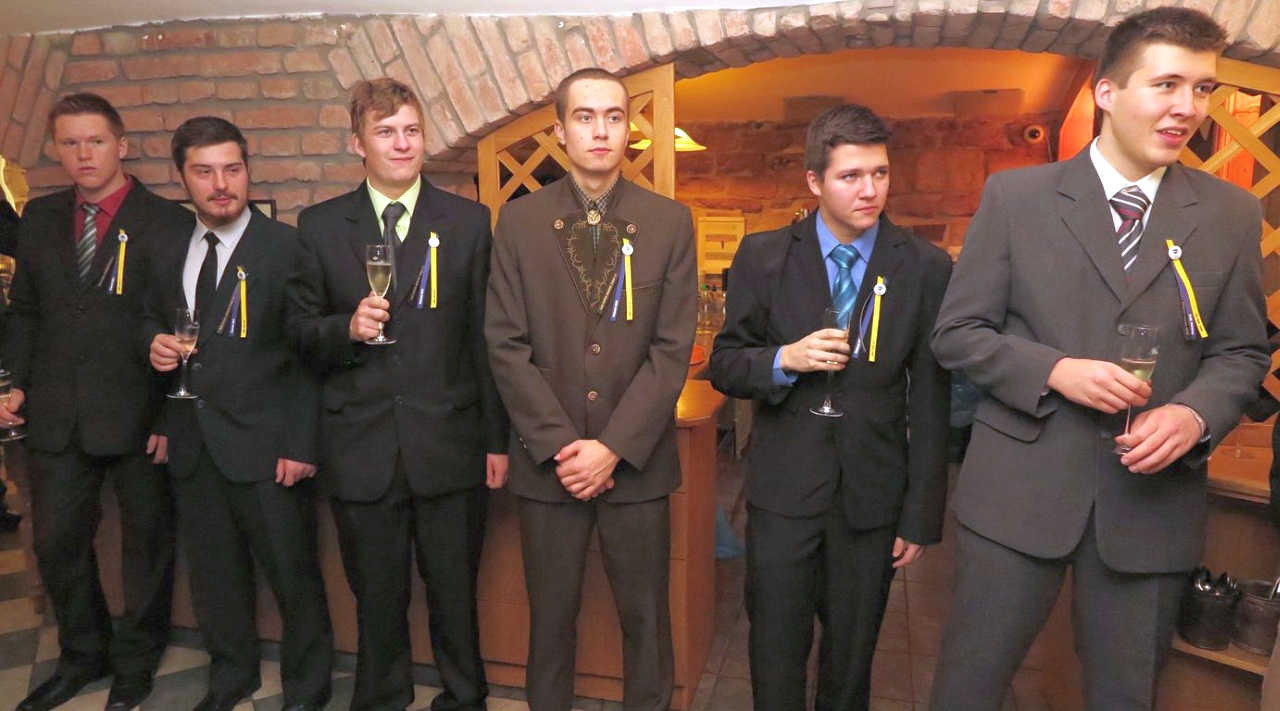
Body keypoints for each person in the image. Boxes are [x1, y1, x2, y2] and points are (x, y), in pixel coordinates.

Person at [927, 8, 1269, 710]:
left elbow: (1241, 350)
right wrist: (1053, 370)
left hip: (1150, 508)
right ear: (1107, 92)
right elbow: (957, 333)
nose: (1188, 107)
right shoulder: (1016, 198)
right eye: (1167, 84)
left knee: (1125, 696)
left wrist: (1195, 414)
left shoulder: (1232, 215)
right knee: (969, 687)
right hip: (1018, 495)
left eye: (1203, 89)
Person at [708, 104, 951, 711]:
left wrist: (921, 513)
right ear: (814, 181)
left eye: (880, 173)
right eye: (851, 176)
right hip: (784, 492)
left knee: (851, 659)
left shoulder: (924, 267)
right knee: (774, 651)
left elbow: (931, 396)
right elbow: (726, 363)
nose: (870, 190)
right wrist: (784, 359)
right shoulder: (763, 256)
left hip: (872, 498)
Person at [286, 78, 507, 711]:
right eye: (385, 132)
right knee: (376, 594)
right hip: (361, 444)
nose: (402, 143)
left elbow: (485, 340)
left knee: (454, 590)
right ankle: (382, 697)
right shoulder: (320, 226)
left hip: (450, 441)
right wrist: (344, 329)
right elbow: (298, 331)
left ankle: (464, 698)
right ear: (358, 143)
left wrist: (496, 441)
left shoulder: (468, 222)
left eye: (411, 130)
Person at [486, 66, 697, 711]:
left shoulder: (669, 222)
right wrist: (562, 446)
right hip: (549, 466)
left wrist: (612, 447)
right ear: (560, 131)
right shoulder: (518, 222)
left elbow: (671, 350)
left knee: (646, 621)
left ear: (629, 130)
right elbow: (505, 344)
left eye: (613, 116)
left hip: (637, 464)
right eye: (585, 117)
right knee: (550, 621)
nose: (600, 130)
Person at [144, 117, 333, 711]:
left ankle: (307, 689)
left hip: (270, 447)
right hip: (193, 444)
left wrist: (301, 443)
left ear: (248, 170)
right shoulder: (169, 246)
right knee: (214, 576)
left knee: (293, 577)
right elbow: (149, 320)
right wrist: (151, 347)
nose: (221, 184)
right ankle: (231, 677)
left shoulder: (287, 247)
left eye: (232, 169)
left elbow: (309, 355)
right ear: (182, 178)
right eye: (204, 172)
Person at [2, 93, 182, 711]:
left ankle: (137, 661)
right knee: (56, 543)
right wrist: (12, 381)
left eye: (96, 141)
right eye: (70, 143)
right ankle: (83, 654)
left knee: (146, 547)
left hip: (138, 412)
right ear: (56, 149)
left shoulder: (165, 220)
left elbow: (179, 322)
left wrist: (170, 414)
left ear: (121, 145)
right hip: (56, 412)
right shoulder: (39, 217)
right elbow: (25, 310)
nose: (84, 154)